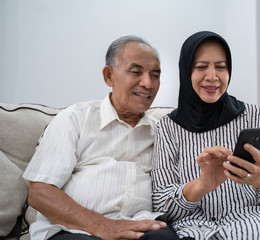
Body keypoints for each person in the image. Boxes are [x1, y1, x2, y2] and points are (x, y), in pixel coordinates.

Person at [151, 31, 260, 239]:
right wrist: (201, 185)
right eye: (201, 67)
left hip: (255, 223)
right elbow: (162, 207)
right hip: (195, 228)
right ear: (186, 70)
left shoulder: (255, 116)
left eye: (221, 66)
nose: (212, 77)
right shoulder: (168, 128)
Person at [22, 36, 180, 240]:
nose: (148, 83)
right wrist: (105, 226)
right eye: (136, 72)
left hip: (140, 225)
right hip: (73, 229)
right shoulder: (75, 119)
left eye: (155, 75)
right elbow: (40, 193)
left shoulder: (161, 132)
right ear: (109, 76)